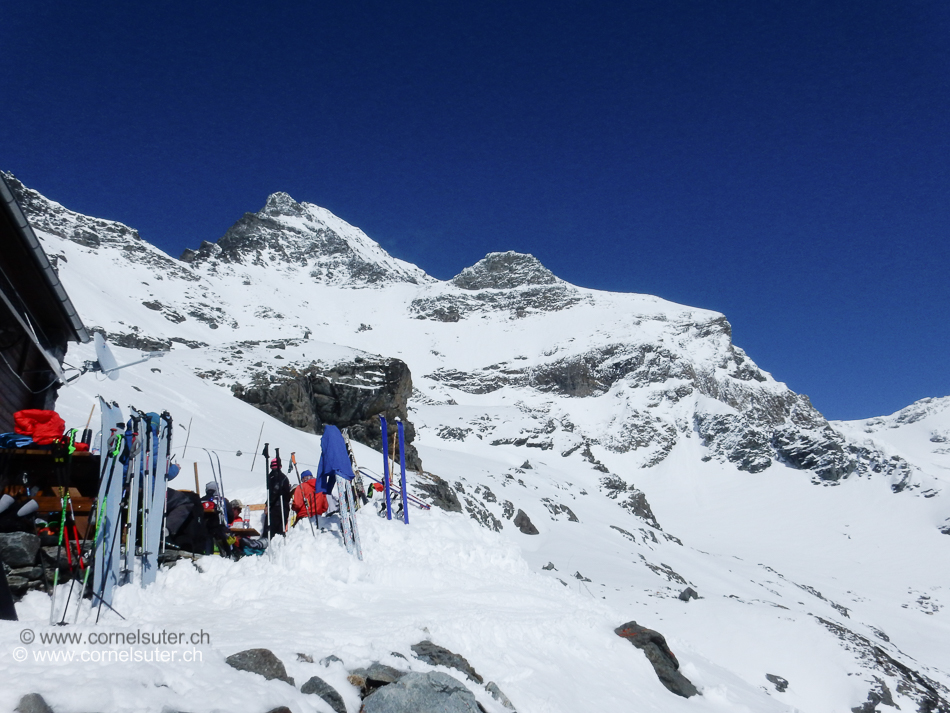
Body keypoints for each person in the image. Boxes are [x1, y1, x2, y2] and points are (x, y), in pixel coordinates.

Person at [265, 459, 291, 538]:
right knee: (280, 531)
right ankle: (279, 547)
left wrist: (268, 504)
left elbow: (274, 492)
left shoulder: (274, 477)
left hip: (276, 507)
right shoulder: (283, 477)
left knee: (271, 531)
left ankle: (268, 546)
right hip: (283, 506)